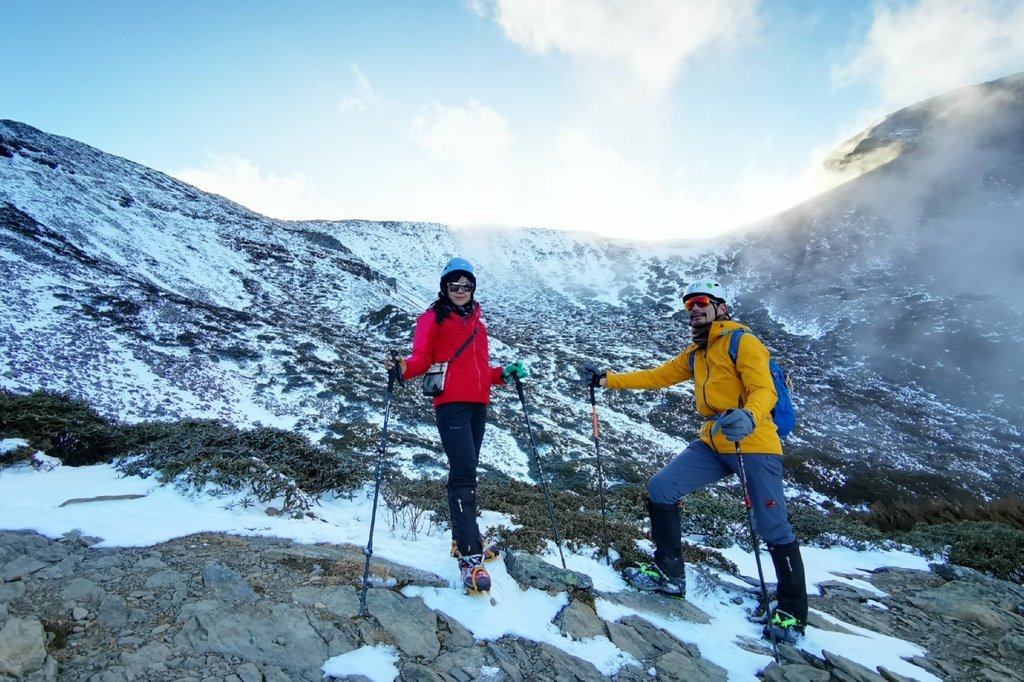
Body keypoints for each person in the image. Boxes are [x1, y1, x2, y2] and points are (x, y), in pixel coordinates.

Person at [581, 277, 808, 644]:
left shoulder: (742, 342)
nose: (695, 308)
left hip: (754, 442)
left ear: (721, 307)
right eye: (689, 305)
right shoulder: (699, 353)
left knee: (771, 524)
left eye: (702, 301)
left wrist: (749, 416)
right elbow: (657, 377)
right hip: (714, 441)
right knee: (662, 488)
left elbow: (763, 388)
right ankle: (670, 574)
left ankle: (793, 612)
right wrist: (607, 380)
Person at [385, 257, 527, 594]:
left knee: (468, 470)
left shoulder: (478, 324)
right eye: (454, 285)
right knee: (463, 473)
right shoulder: (431, 318)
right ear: (444, 288)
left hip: (478, 405)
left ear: (473, 287)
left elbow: (480, 369)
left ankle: (464, 538)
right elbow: (421, 358)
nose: (461, 291)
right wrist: (402, 367)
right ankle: (468, 556)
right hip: (451, 405)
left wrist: (503, 374)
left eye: (466, 285)